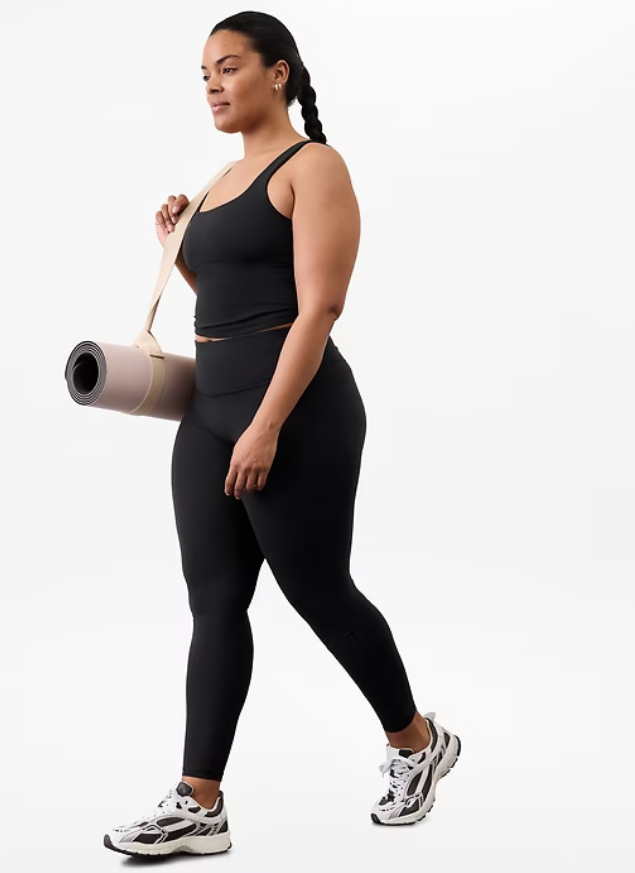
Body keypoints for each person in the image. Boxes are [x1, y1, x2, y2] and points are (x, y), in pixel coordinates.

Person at [104, 10, 461, 858]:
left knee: (316, 587)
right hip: (209, 411)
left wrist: (266, 424)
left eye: (228, 67)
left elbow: (318, 307)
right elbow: (231, 302)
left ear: (279, 73)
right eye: (203, 74)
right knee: (213, 600)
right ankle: (199, 801)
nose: (213, 86)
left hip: (296, 411)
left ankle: (416, 742)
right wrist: (179, 249)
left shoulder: (314, 166)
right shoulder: (220, 180)